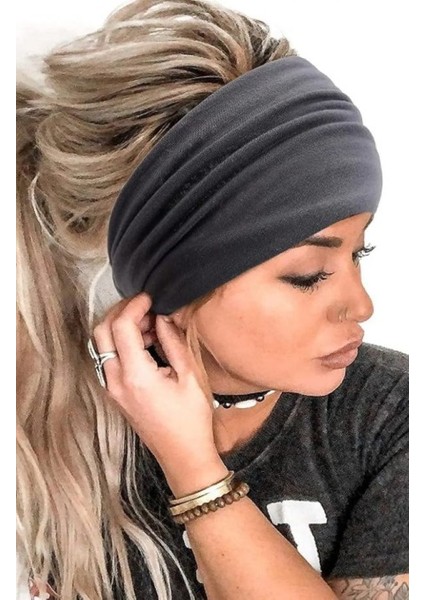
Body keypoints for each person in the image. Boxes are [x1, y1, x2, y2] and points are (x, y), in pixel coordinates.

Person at [16, 0, 409, 598]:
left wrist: (195, 469)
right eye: (308, 275)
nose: (362, 306)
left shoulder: (391, 412)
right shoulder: (42, 431)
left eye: (361, 253)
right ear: (174, 283)